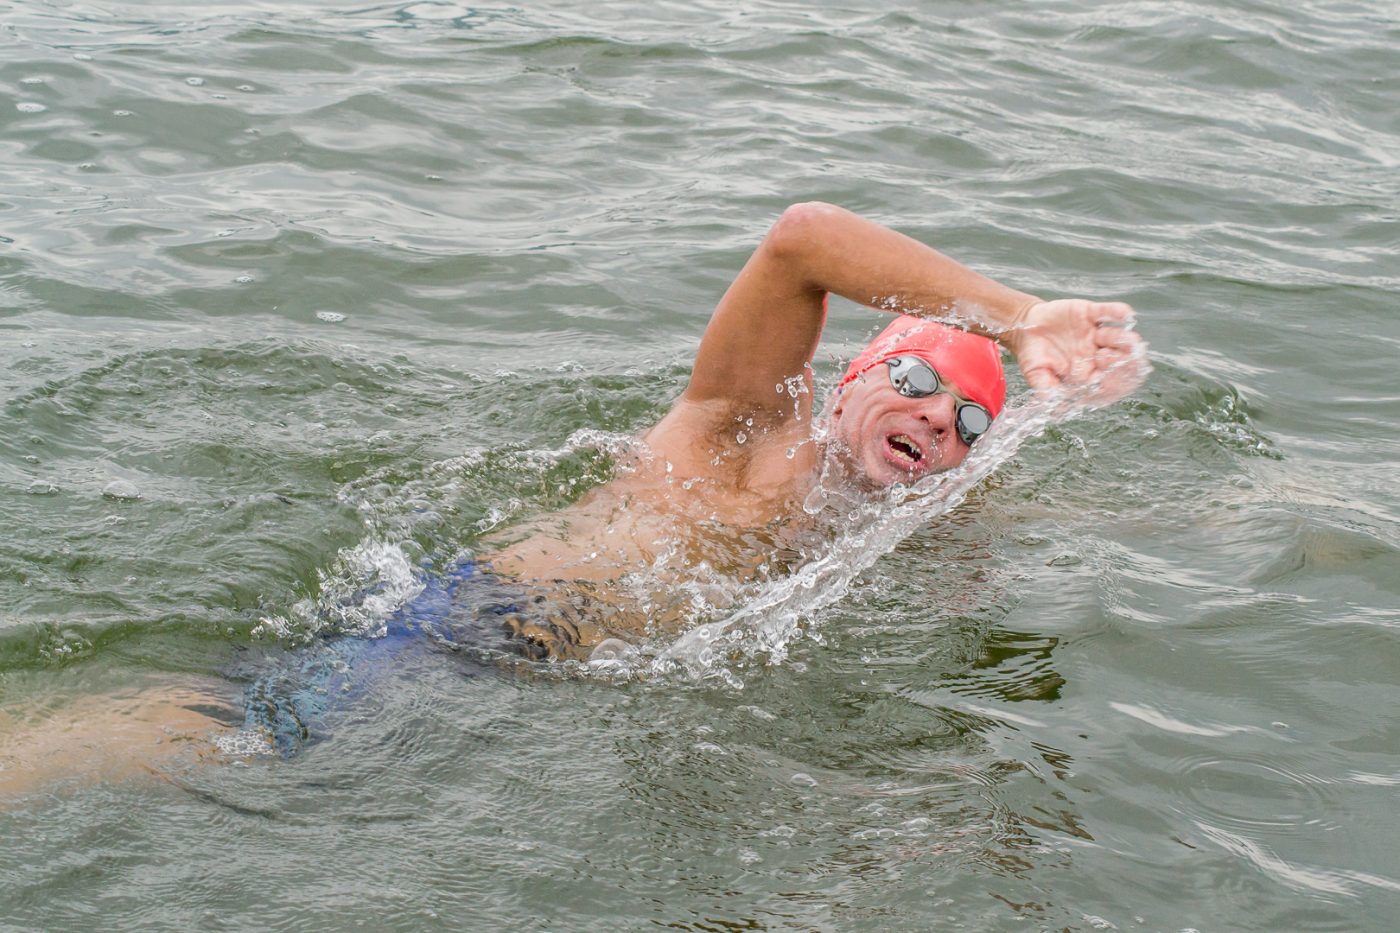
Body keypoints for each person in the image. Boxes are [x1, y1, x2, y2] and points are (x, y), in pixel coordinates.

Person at [0, 202, 1144, 792]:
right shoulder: (749, 426)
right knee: (233, 735)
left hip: (518, 698)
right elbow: (801, 241)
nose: (939, 421)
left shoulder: (891, 515)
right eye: (917, 382)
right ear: (855, 378)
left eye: (969, 424)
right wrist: (1016, 314)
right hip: (463, 634)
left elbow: (1080, 530)